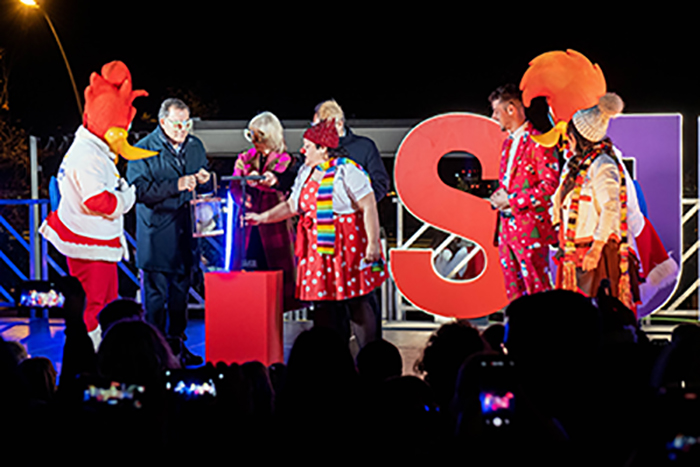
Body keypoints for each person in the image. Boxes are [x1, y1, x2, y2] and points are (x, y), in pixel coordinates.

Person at [39, 61, 155, 348]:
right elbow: (97, 200)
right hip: (88, 241)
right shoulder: (88, 156)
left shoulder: (93, 148)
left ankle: (103, 350)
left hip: (95, 240)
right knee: (95, 304)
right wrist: (127, 198)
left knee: (107, 302)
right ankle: (90, 356)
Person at [245, 119, 386, 349]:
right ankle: (332, 360)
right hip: (317, 249)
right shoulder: (306, 172)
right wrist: (262, 218)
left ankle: (368, 359)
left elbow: (368, 205)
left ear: (323, 149)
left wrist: (372, 245)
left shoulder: (347, 170)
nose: (303, 150)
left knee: (356, 303)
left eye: (308, 146)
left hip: (346, 247)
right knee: (324, 306)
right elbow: (292, 206)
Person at [126, 98, 210, 366]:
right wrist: (176, 184)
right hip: (156, 234)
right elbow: (138, 191)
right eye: (177, 123)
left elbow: (202, 177)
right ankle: (154, 354)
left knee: (180, 297)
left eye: (187, 123)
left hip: (187, 232)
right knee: (155, 300)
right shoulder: (141, 150)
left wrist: (205, 178)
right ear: (163, 122)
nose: (182, 129)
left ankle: (178, 348)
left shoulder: (195, 146)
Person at [553, 93, 639, 308]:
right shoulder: (574, 165)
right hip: (574, 250)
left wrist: (596, 249)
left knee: (596, 312)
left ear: (579, 137)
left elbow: (611, 207)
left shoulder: (602, 164)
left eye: (570, 134)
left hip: (594, 253)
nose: (567, 139)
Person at [313, 99, 389, 339]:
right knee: (330, 300)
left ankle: (372, 355)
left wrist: (359, 206)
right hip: (326, 236)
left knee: (362, 295)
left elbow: (381, 183)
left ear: (338, 122)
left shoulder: (364, 147)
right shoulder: (315, 149)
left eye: (321, 125)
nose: (317, 132)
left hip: (359, 232)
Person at [488, 84, 559, 301]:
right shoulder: (507, 144)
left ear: (511, 109)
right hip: (506, 230)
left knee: (538, 292)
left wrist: (511, 200)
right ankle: (517, 334)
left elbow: (550, 188)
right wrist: (499, 198)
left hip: (531, 231)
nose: (493, 117)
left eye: (496, 111)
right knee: (514, 296)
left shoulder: (540, 142)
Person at [230, 111, 298, 311]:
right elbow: (235, 187)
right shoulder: (245, 157)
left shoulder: (287, 161)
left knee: (279, 283)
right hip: (248, 228)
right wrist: (246, 200)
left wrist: (258, 181)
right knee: (247, 279)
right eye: (250, 135)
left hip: (275, 229)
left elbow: (283, 185)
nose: (254, 141)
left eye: (258, 136)